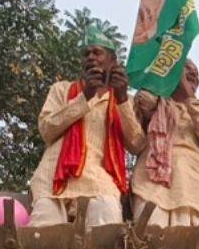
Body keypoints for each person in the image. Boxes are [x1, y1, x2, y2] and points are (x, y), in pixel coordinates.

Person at [28, 24, 143, 228]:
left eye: (97, 53)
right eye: (86, 53)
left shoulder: (125, 99)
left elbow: (136, 144)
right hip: (53, 180)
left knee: (106, 232)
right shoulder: (62, 90)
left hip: (99, 182)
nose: (90, 57)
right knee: (42, 241)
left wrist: (123, 99)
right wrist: (85, 97)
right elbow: (46, 129)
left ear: (112, 60)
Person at [129, 60, 199, 227]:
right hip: (151, 184)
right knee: (149, 239)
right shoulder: (155, 104)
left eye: (196, 73)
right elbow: (143, 103)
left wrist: (189, 98)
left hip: (194, 188)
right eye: (187, 69)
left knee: (197, 246)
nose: (193, 74)